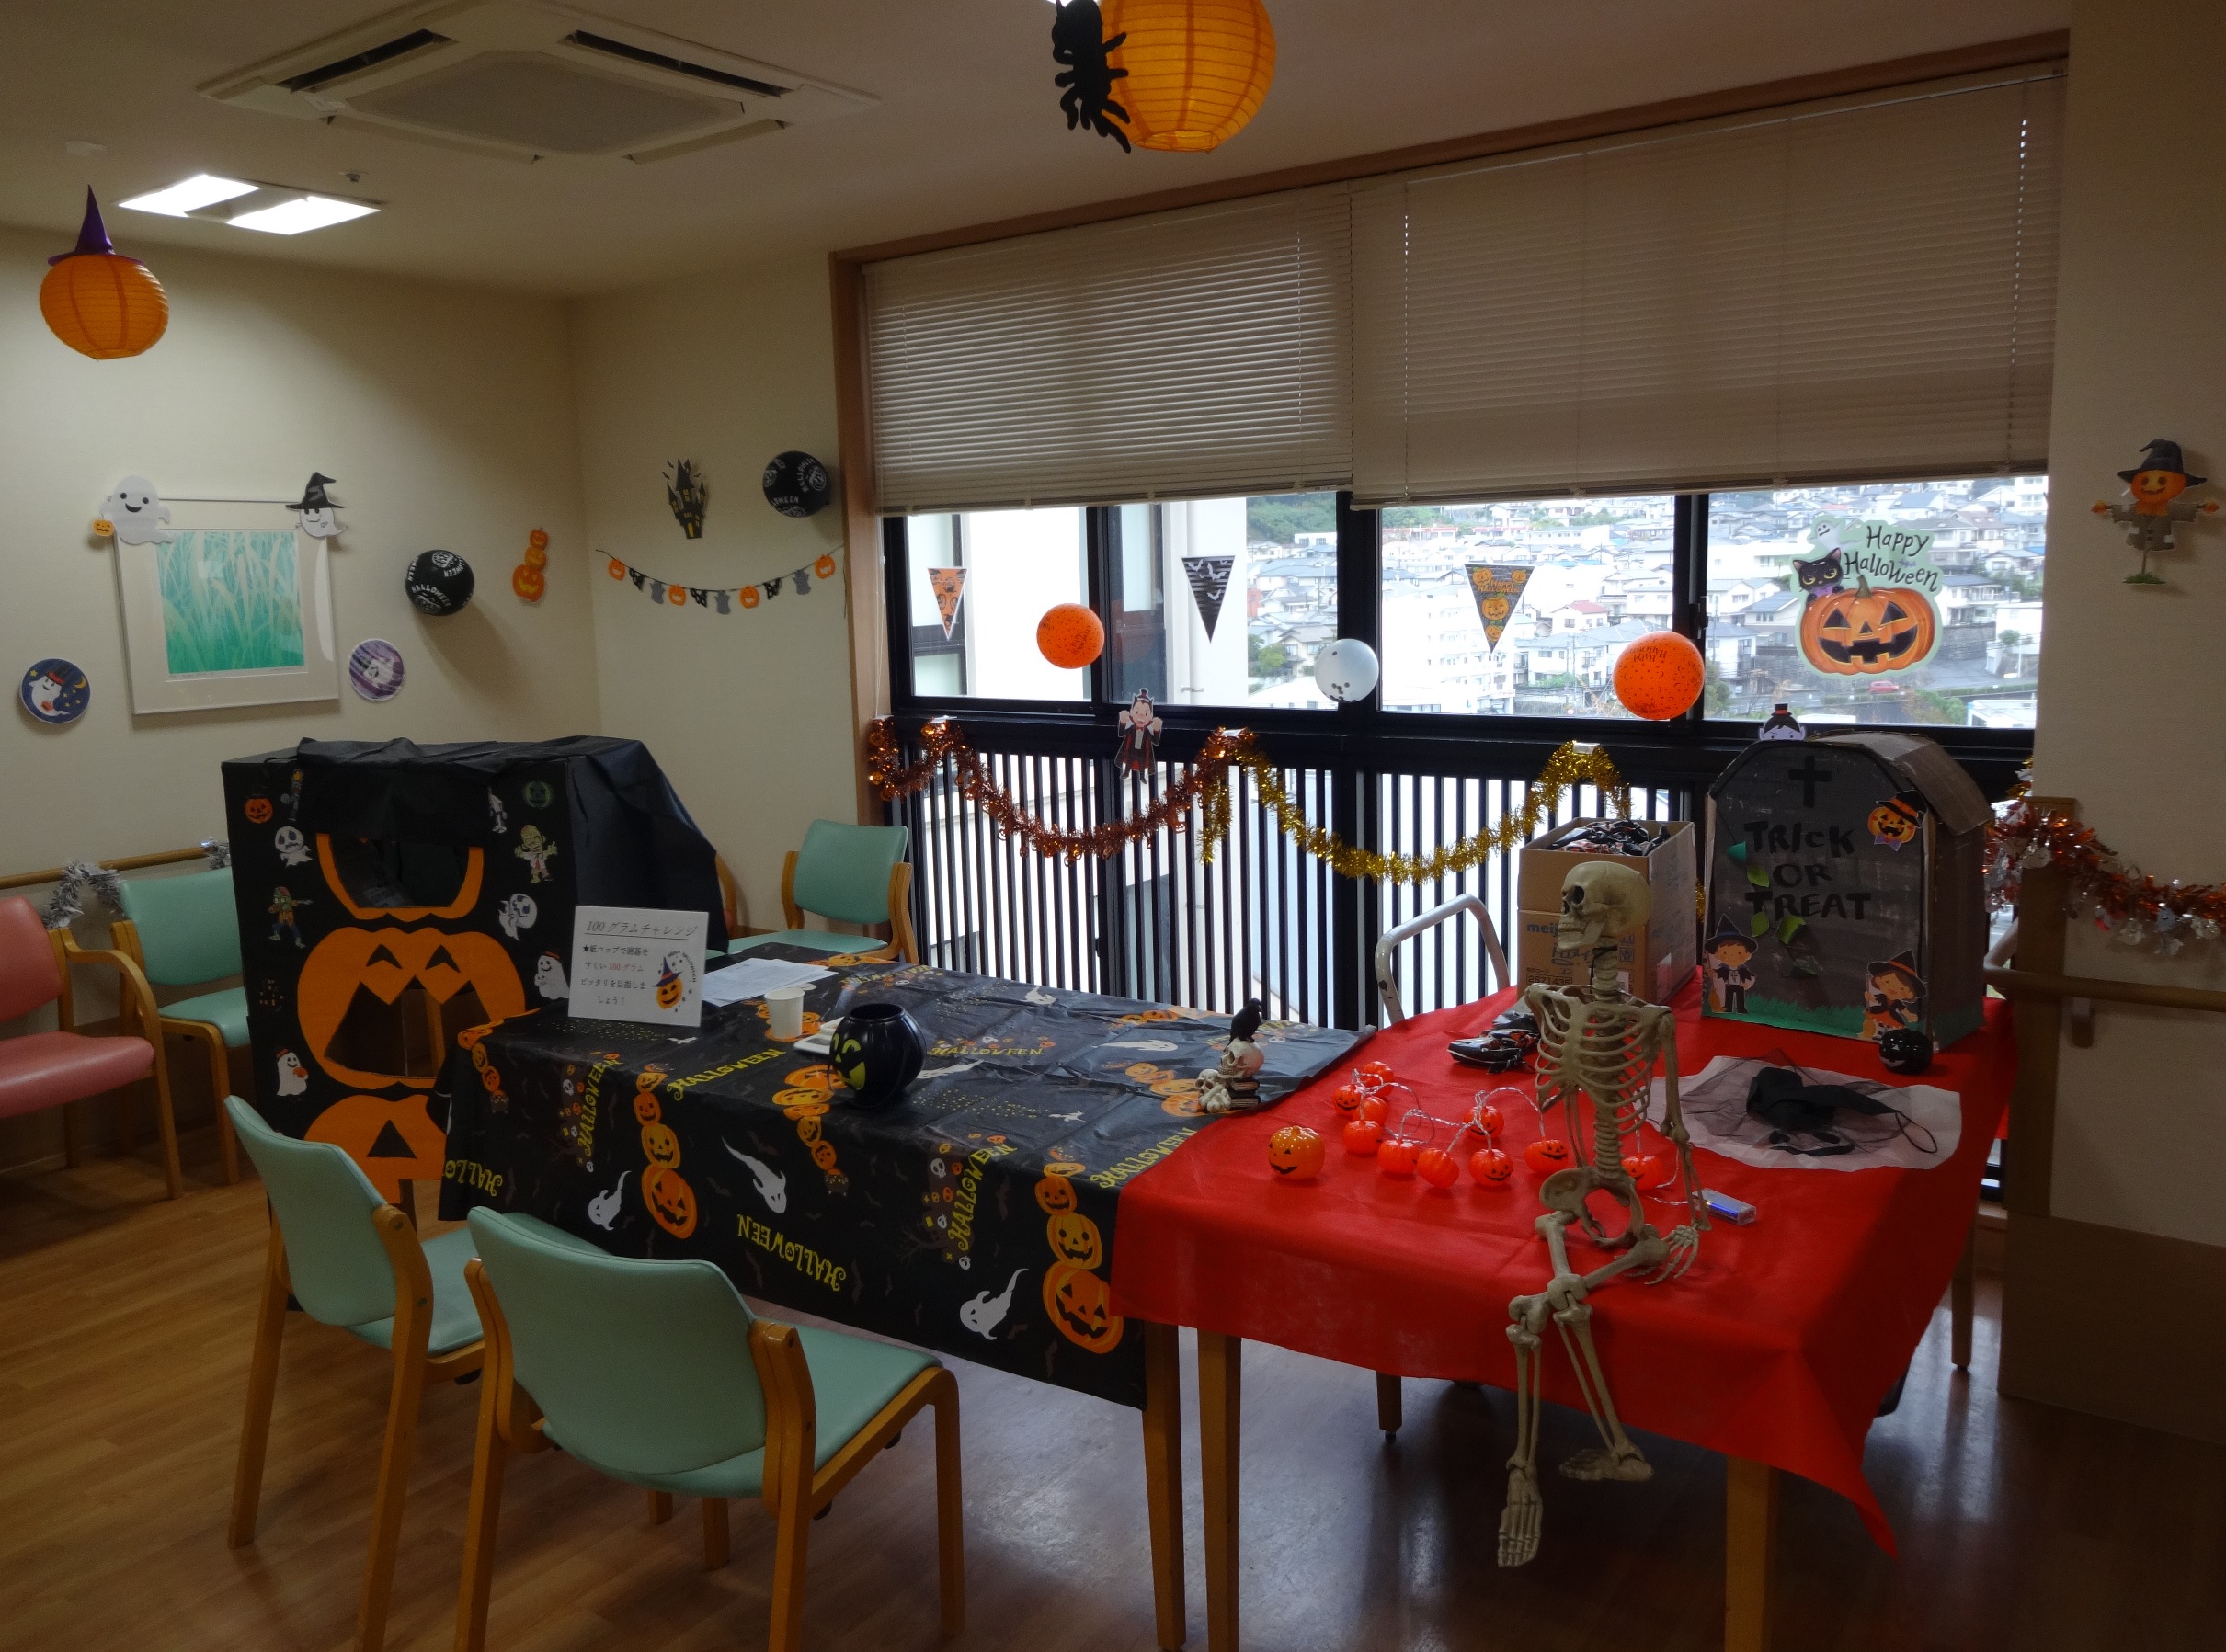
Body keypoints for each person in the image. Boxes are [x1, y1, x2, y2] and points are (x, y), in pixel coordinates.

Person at [1703, 926, 1756, 1014]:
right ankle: (1728, 1008)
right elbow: (1718, 975)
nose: (1732, 956)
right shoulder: (1722, 969)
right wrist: (1713, 974)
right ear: (1717, 955)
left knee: (1740, 997)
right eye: (1725, 953)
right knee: (1728, 997)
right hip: (1728, 986)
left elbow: (1751, 977)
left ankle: (1741, 1008)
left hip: (1740, 986)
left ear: (1747, 955)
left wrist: (1747, 984)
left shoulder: (1743, 970)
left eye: (1739, 953)